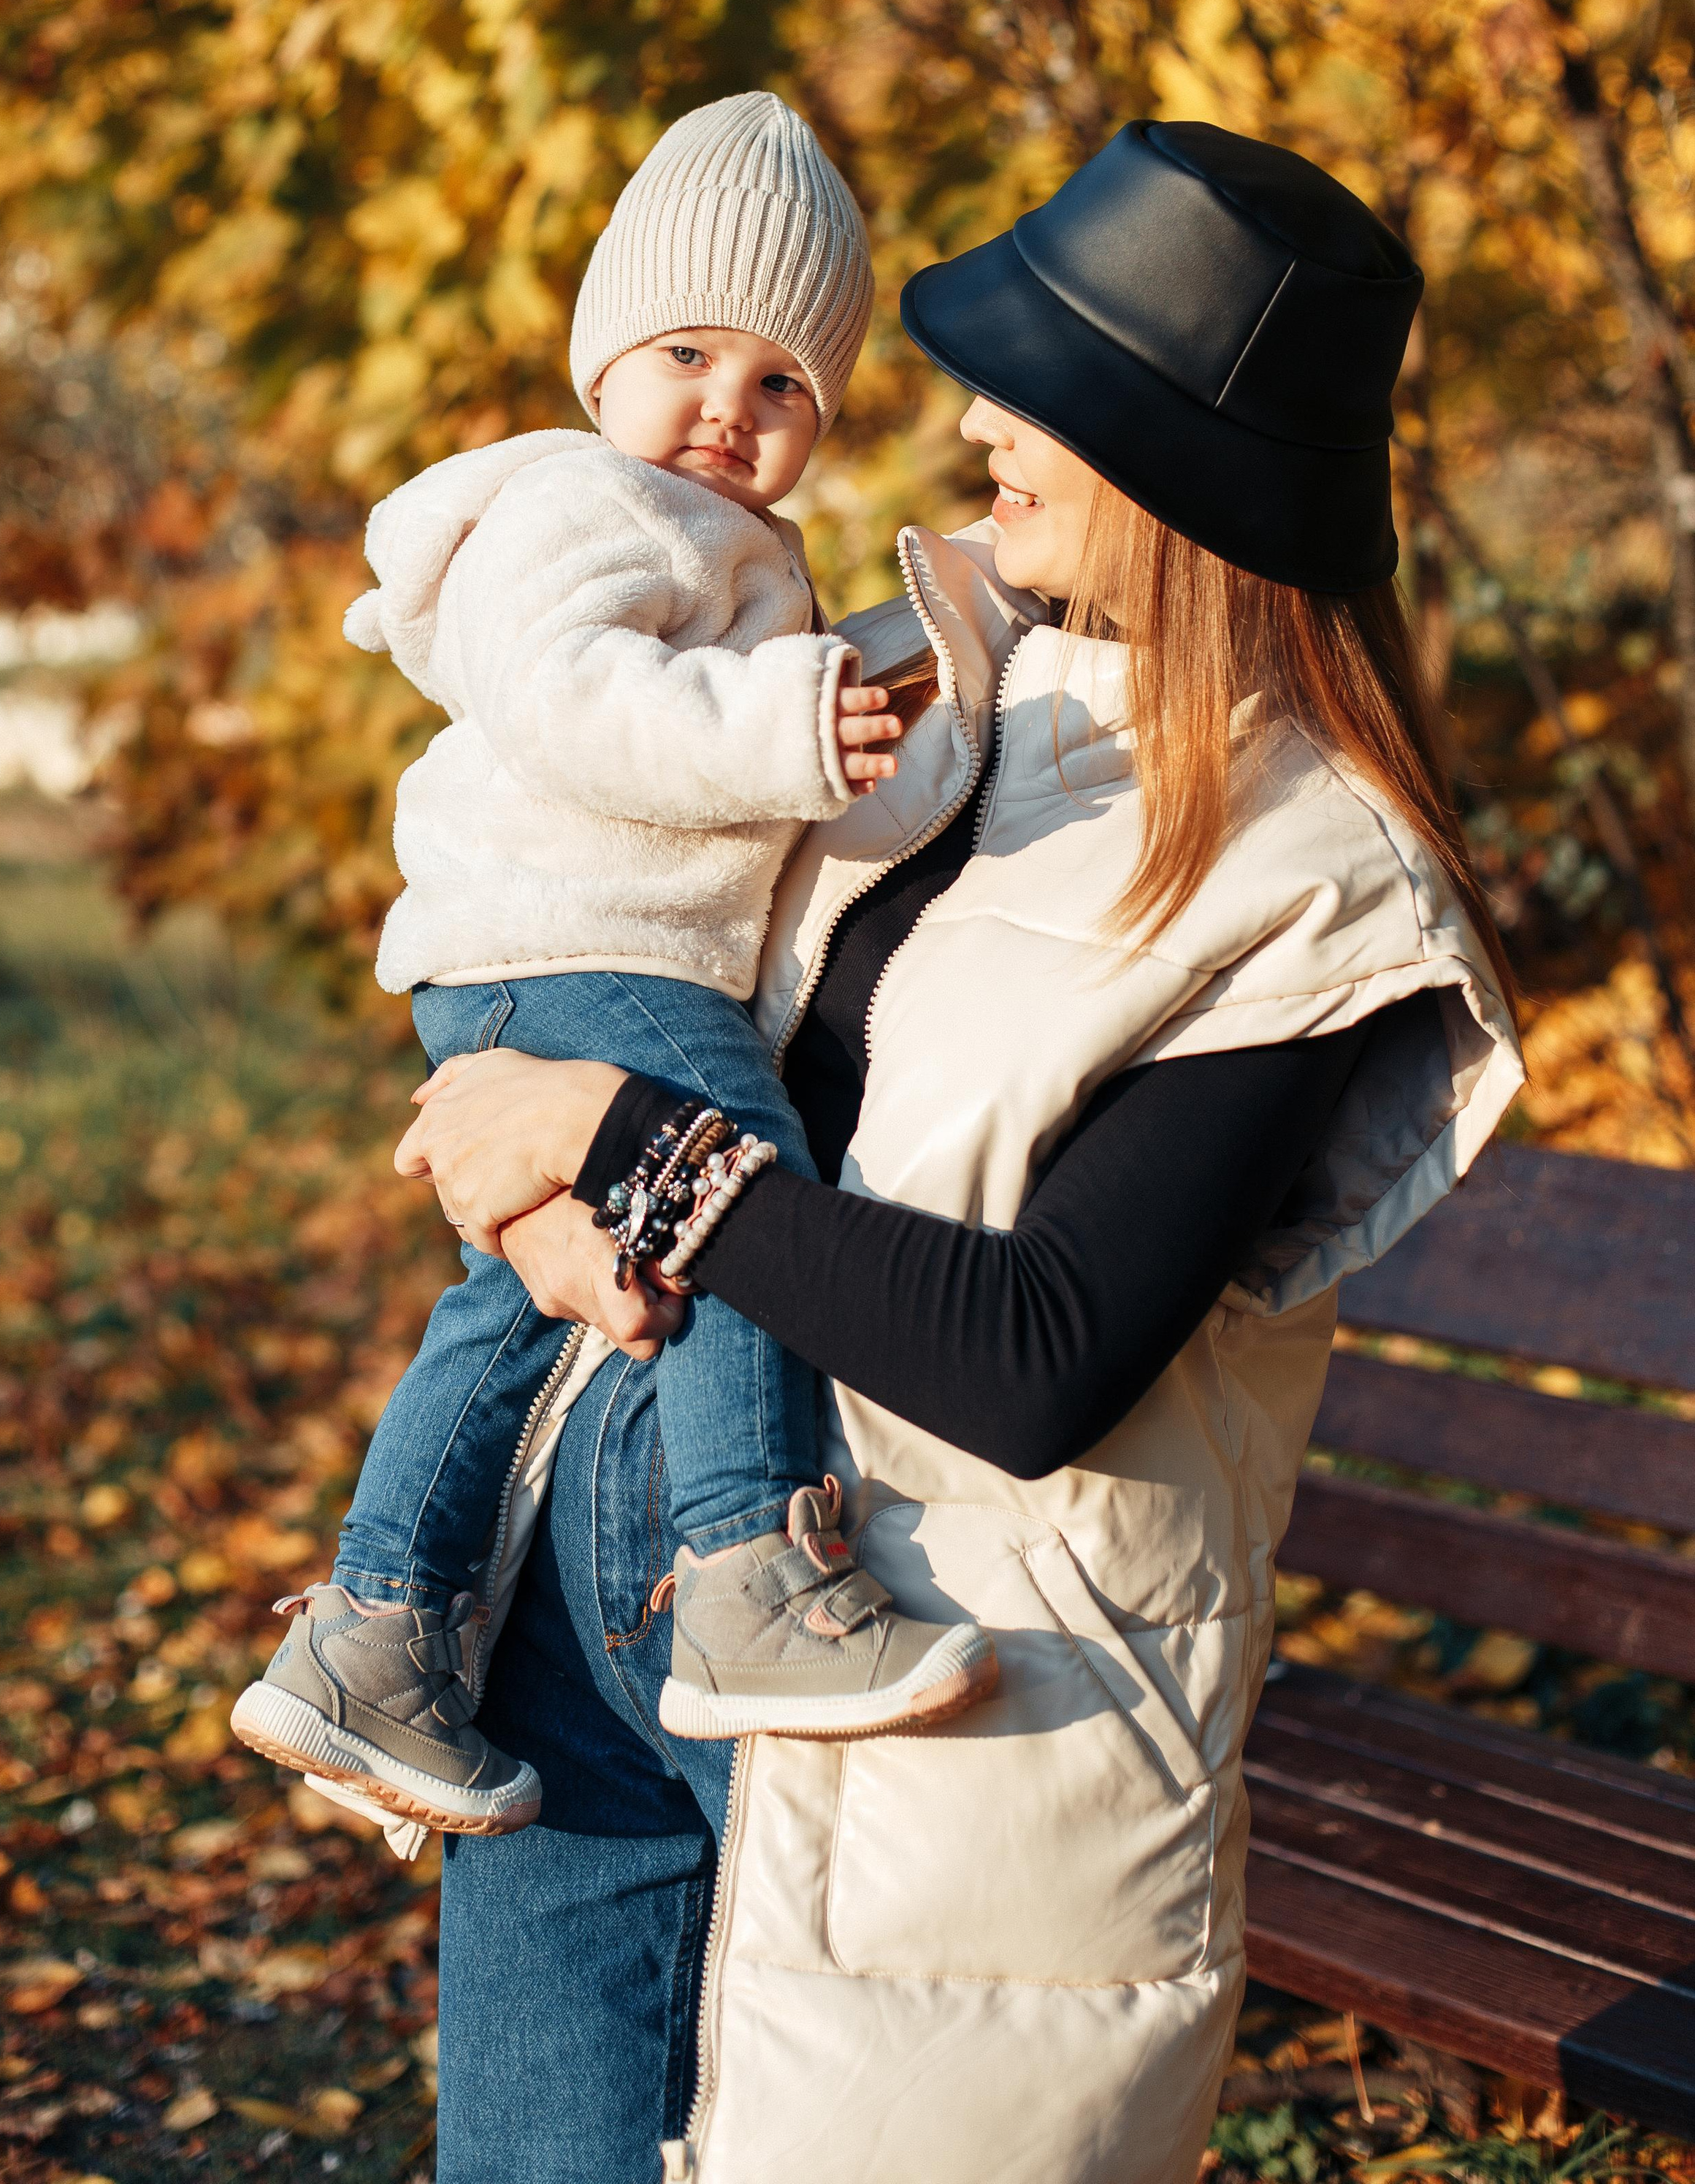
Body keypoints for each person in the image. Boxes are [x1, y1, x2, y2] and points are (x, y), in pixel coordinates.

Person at [394, 119, 1526, 2184]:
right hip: (614, 1635)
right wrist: (556, 1210)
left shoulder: (1317, 878)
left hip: (940, 1709)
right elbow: (659, 1028)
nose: (977, 422)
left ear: (1179, 469)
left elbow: (1044, 1351)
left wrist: (619, 1144)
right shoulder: (970, 729)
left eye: (1043, 391)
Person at [231, 93, 995, 1844]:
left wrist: (919, 709)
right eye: (687, 353)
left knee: (520, 1301)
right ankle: (745, 1573)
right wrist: (790, 716)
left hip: (596, 953)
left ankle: (373, 1638)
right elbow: (584, 707)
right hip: (577, 950)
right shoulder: (581, 509)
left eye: (782, 383)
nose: (729, 407)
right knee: (732, 1184)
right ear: (598, 367)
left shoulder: (733, 552)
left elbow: (788, 813)